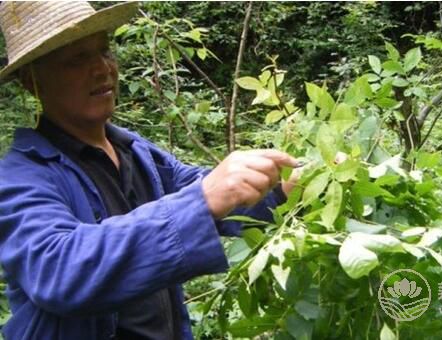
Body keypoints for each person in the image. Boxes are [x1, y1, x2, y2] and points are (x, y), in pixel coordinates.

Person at [0, 2, 298, 339]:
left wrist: (281, 191)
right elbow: (59, 270)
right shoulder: (19, 177)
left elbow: (203, 191)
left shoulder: (135, 152)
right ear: (31, 81)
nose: (101, 69)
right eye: (76, 59)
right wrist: (203, 200)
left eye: (103, 51)